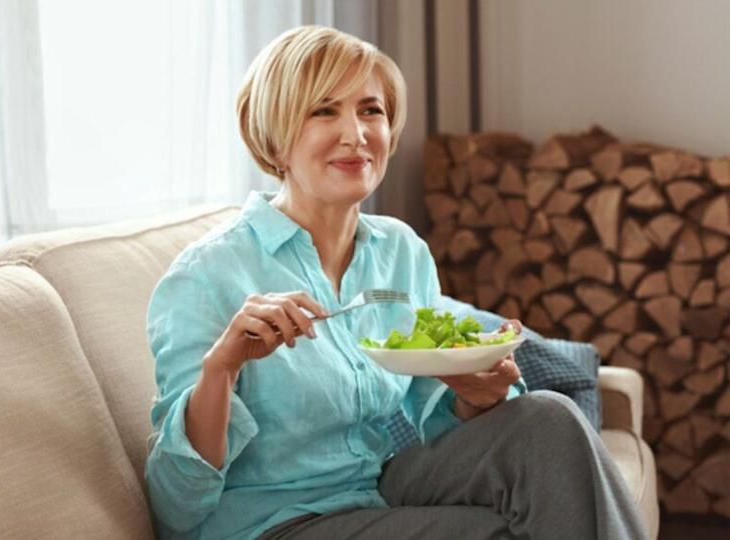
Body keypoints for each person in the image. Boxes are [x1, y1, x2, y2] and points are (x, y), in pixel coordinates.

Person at [145, 25, 648, 540]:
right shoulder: (206, 276)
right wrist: (221, 369)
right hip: (277, 521)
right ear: (276, 136)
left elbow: (431, 417)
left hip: (380, 484)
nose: (355, 134)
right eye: (324, 110)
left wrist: (476, 394)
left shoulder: (400, 252)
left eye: (371, 110)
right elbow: (175, 508)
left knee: (549, 422)